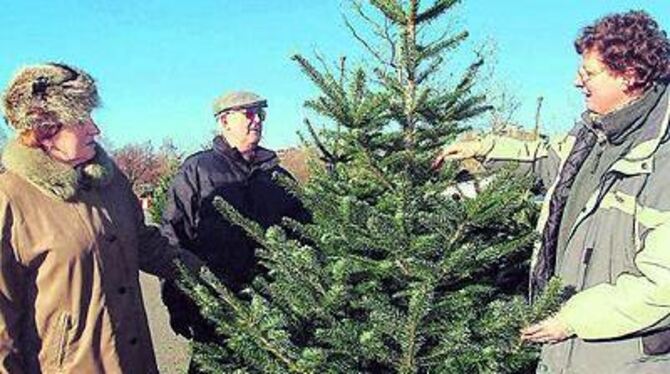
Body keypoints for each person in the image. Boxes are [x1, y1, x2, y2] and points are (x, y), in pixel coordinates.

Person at [435, 10, 670, 373]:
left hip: (623, 358)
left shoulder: (662, 159)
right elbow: (544, 162)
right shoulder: (591, 136)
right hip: (561, 350)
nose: (578, 81)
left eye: (589, 73)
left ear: (630, 76)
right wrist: (481, 148)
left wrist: (573, 318)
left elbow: (662, 287)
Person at [0, 62, 202, 373]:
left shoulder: (111, 182)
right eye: (81, 119)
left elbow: (146, 244)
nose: (95, 129)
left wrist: (208, 275)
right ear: (45, 128)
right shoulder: (10, 198)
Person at [160, 90, 308, 372]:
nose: (257, 121)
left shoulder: (277, 177)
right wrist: (177, 301)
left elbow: (305, 234)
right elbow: (173, 236)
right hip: (216, 307)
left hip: (275, 308)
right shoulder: (197, 170)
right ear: (224, 122)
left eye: (260, 114)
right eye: (248, 114)